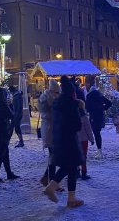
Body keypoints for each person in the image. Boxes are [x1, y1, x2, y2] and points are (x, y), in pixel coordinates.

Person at [43, 76, 85, 207]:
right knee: (70, 166)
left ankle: (71, 197)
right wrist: (80, 108)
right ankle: (52, 187)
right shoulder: (72, 105)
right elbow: (77, 125)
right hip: (70, 140)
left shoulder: (57, 103)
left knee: (71, 167)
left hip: (59, 139)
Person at [0, 87, 20, 182]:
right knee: (1, 153)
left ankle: (8, 172)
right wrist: (10, 106)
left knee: (5, 152)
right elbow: (12, 115)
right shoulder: (3, 105)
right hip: (3, 131)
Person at [39, 79, 60, 186]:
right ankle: (51, 182)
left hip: (48, 128)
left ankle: (46, 178)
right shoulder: (52, 98)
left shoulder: (45, 97)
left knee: (53, 155)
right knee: (54, 156)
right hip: (51, 129)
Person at [85, 86, 112, 159]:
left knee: (95, 133)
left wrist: (91, 110)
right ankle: (99, 150)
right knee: (98, 133)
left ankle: (99, 151)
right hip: (100, 116)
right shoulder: (100, 95)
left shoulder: (89, 97)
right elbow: (109, 103)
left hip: (93, 117)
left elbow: (87, 108)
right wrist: (103, 108)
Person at [77, 104, 94, 180]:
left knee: (76, 156)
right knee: (83, 156)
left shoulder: (72, 116)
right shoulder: (84, 117)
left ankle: (76, 172)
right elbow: (88, 130)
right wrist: (92, 139)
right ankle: (84, 172)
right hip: (84, 140)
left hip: (75, 140)